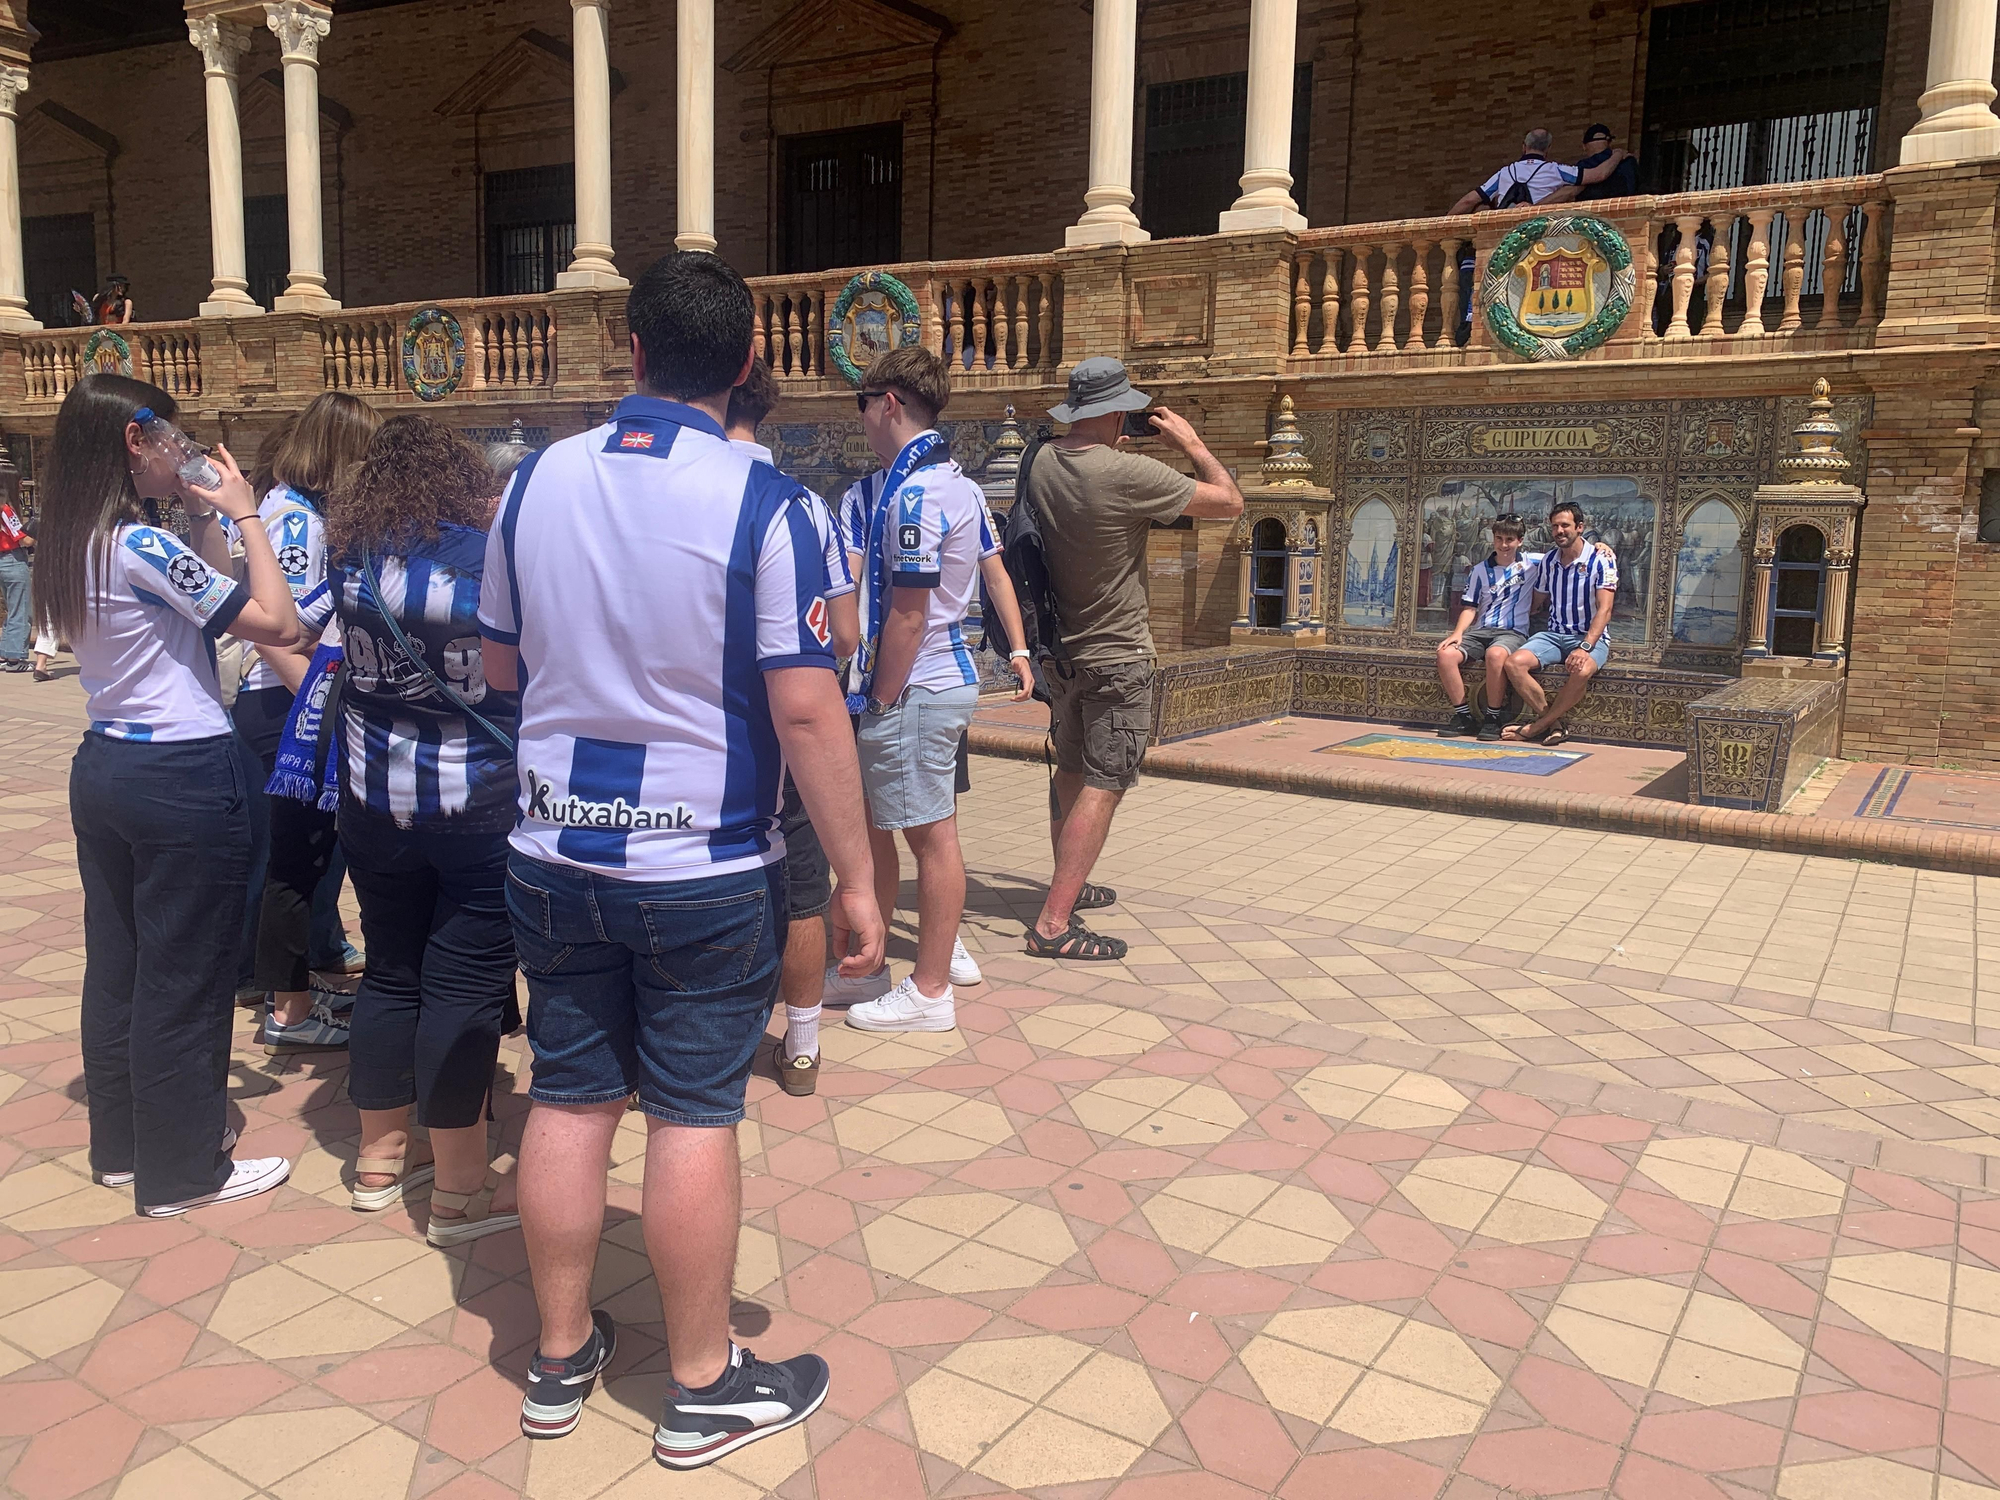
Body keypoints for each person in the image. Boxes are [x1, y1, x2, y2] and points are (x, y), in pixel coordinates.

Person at [477, 250, 884, 1466]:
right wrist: (859, 878)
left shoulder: (534, 482)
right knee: (693, 1117)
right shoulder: (770, 502)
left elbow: (502, 670)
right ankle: (701, 1382)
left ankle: (556, 1357)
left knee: (567, 1091)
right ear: (750, 364)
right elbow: (809, 709)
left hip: (554, 849)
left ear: (634, 354)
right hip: (701, 866)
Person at [36, 372, 300, 1214]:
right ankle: (184, 1170)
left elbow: (205, 609)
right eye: (172, 443)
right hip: (181, 774)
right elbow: (276, 621)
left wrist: (200, 514)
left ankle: (122, 1145)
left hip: (107, 762)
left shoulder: (75, 538)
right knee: (185, 974)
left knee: (119, 965)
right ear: (132, 443)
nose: (182, 455)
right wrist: (249, 513)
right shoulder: (136, 547)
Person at [295, 416, 524, 1242]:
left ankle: (379, 1159)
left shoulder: (351, 564)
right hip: (478, 805)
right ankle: (461, 1188)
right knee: (464, 983)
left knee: (391, 971)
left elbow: (300, 639)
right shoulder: (482, 562)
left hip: (373, 803)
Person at [830, 347, 1031, 1034]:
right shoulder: (953, 482)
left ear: (888, 402)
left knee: (930, 839)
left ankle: (930, 990)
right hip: (936, 682)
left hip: (915, 686)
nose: (859, 417)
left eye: (862, 401)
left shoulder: (913, 495)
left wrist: (879, 699)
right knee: (917, 829)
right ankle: (925, 961)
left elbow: (910, 614)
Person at [1023, 357, 1242, 959]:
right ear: (1117, 411)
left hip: (1061, 652)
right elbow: (1229, 502)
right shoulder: (1128, 472)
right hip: (1118, 655)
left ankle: (1068, 883)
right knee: (1106, 780)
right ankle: (1053, 924)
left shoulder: (1040, 461)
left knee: (1069, 768)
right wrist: (1192, 442)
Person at [723, 359, 858, 1096]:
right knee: (802, 885)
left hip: (694, 736)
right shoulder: (803, 504)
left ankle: (696, 1045)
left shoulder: (671, 494)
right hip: (783, 735)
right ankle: (801, 1046)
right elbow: (843, 633)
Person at [231, 394, 378, 1053]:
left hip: (299, 705)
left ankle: (295, 985)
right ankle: (282, 1002)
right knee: (292, 860)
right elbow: (272, 625)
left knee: (311, 858)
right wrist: (321, 706)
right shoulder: (293, 518)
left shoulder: (310, 512)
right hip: (282, 708)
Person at [1504, 500, 1618, 746]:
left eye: (1565, 525)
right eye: (1555, 526)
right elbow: (1536, 597)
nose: (1559, 531)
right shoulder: (1548, 561)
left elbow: (1605, 609)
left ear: (1580, 527)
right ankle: (1553, 724)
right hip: (1554, 635)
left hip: (1589, 637)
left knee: (1582, 669)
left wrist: (1585, 647)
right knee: (1513, 663)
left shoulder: (1601, 559)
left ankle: (1537, 726)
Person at [1448, 128, 1631, 214]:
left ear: (1523, 147)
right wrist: (1617, 154)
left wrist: (1444, 224)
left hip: (1505, 236)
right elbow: (1599, 174)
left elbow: (1469, 200)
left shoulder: (1505, 172)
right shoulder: (1556, 170)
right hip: (1539, 238)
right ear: (1548, 149)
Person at [0, 486, 32, 670]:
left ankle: (5, 652)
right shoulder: (5, 510)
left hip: (2, 560)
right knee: (21, 609)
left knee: (12, 608)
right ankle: (16, 658)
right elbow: (24, 539)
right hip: (13, 558)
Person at [1575, 123, 1639, 201]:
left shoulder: (1583, 166)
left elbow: (1571, 192)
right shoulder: (1629, 161)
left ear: (1584, 146)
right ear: (1609, 142)